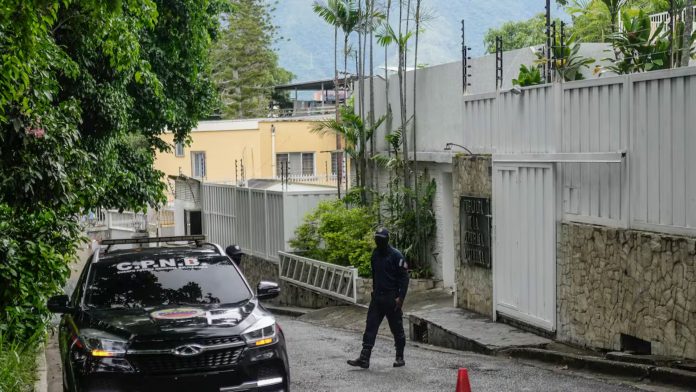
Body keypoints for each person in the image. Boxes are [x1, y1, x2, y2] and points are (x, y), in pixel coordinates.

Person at [348, 228, 409, 369]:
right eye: (377, 238)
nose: (378, 241)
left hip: (391, 298)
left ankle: (400, 357)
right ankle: (364, 357)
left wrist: (400, 298)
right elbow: (375, 275)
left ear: (386, 240)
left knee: (397, 328)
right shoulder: (375, 254)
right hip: (377, 298)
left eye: (381, 239)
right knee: (370, 326)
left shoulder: (396, 256)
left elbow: (404, 278)